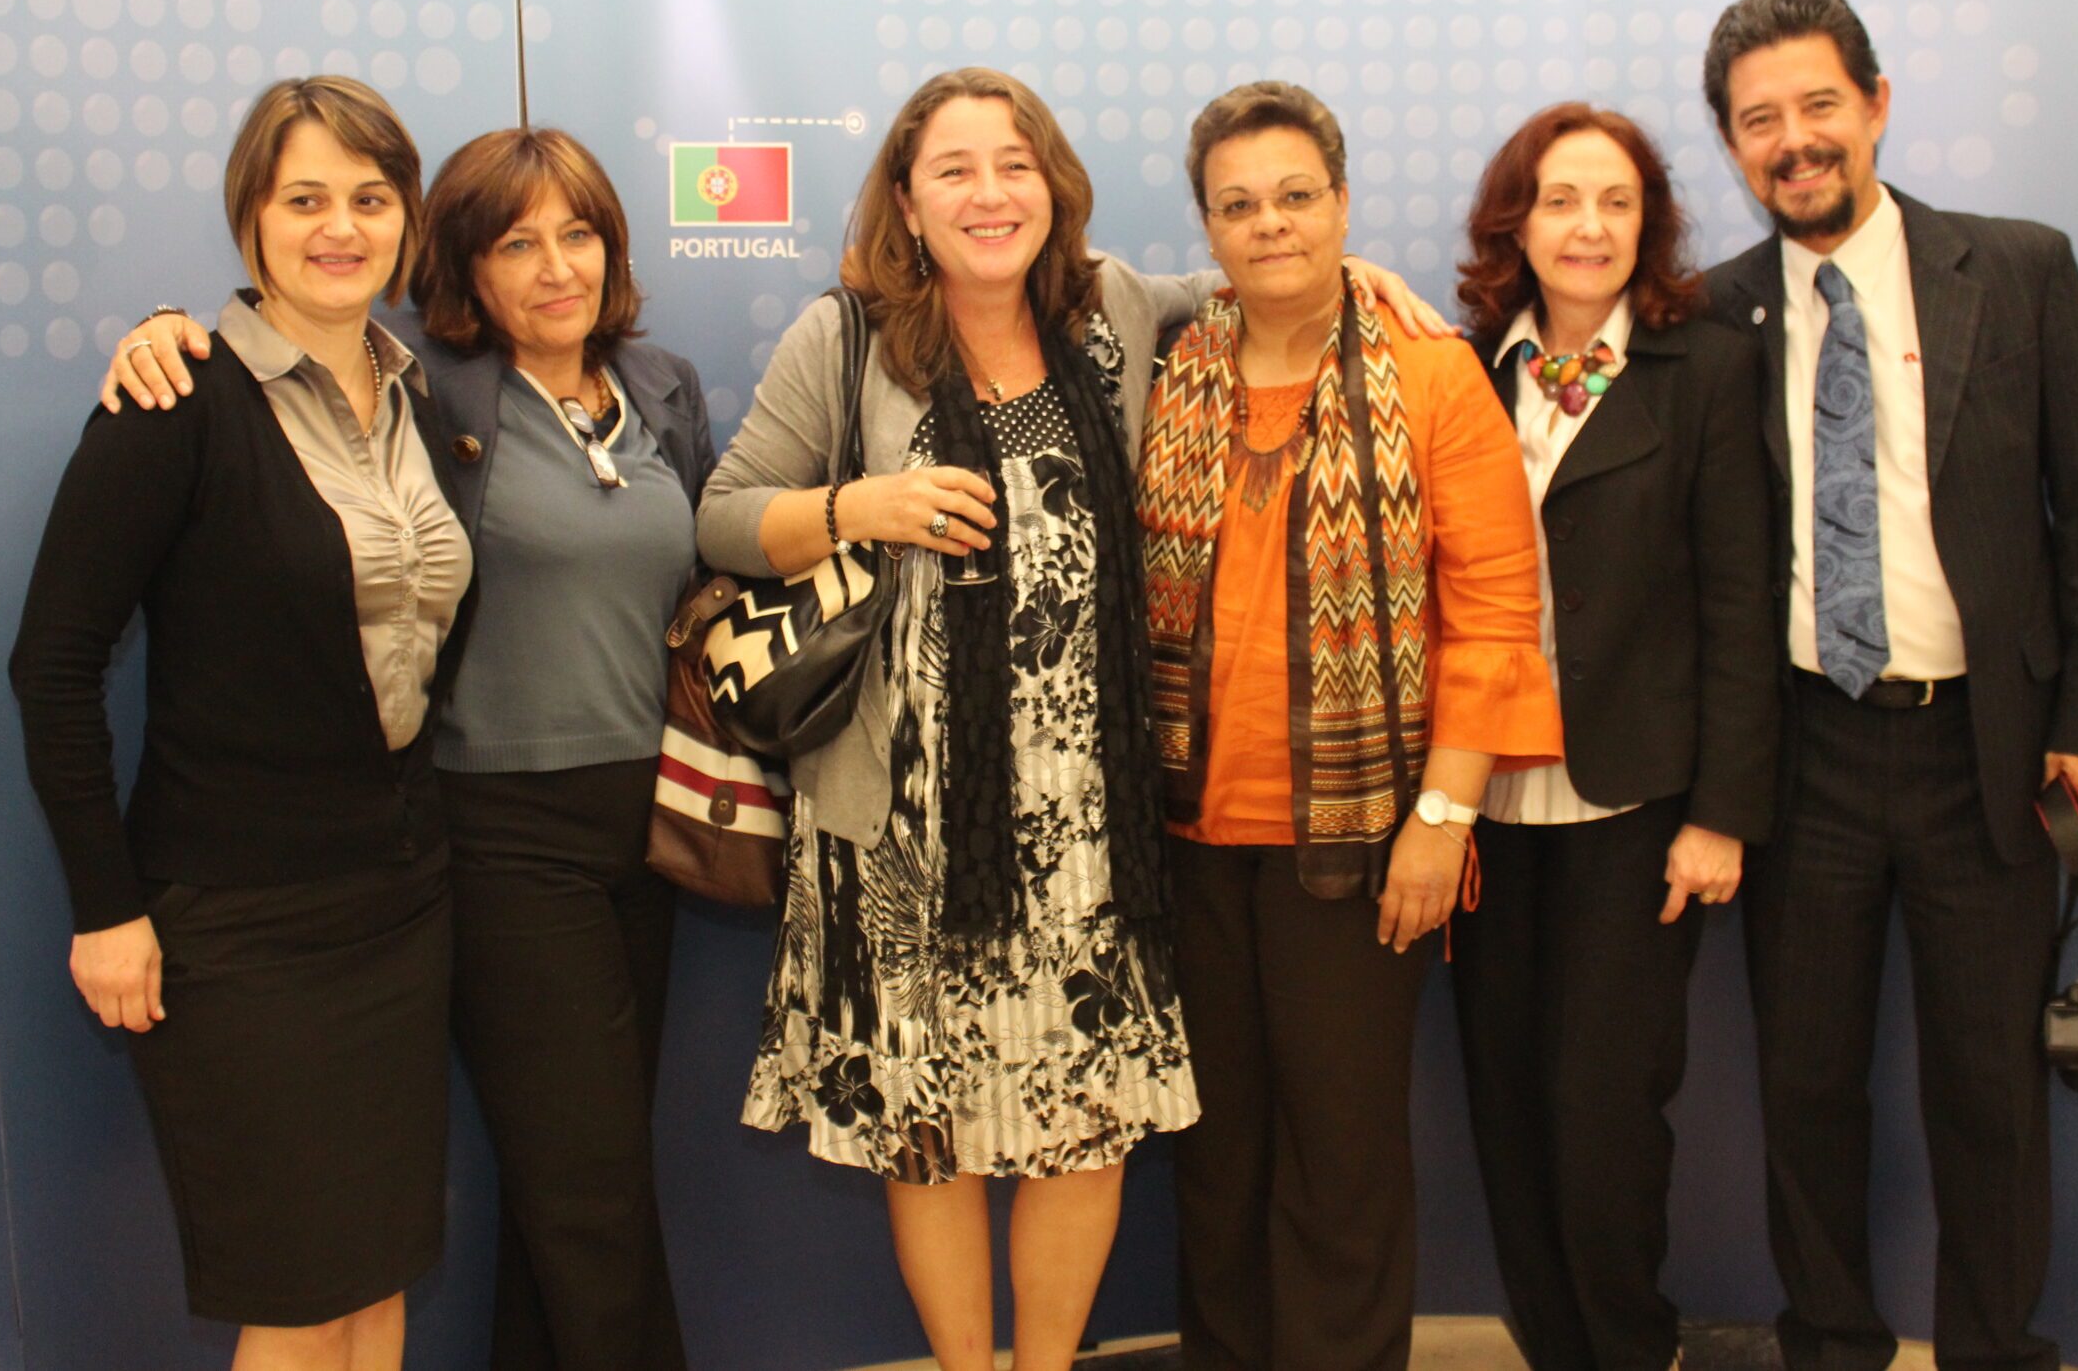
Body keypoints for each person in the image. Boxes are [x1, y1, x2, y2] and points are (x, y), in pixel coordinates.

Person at [696, 66, 1440, 1371]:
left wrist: (1355, 270)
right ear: (906, 202)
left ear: (1053, 186)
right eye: (954, 170)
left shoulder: (1113, 316)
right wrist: (855, 507)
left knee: (1084, 1124)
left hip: (1093, 827)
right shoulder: (847, 337)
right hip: (900, 831)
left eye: (1015, 164)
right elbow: (721, 515)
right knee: (924, 1134)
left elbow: (1255, 278)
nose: (989, 193)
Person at [102, 128, 711, 1371]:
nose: (556, 267)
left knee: (572, 1176)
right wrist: (165, 329)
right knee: (588, 1186)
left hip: (649, 824)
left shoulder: (660, 387)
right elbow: (285, 359)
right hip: (496, 828)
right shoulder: (427, 383)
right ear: (463, 267)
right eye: (516, 244)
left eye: (579, 234)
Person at [1700, 0, 2078, 1371]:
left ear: (1877, 104)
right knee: (1806, 1083)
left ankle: (1994, 1348)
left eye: (1818, 104)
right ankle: (1829, 1343)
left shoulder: (2015, 269)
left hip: (1988, 749)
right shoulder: (1713, 315)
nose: (1794, 140)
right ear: (1732, 145)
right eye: (1759, 120)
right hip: (1804, 752)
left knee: (1991, 1088)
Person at [12, 76, 472, 1371]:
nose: (341, 227)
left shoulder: (418, 399)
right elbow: (53, 666)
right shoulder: (178, 397)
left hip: (397, 902)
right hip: (236, 919)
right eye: (304, 199)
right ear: (251, 218)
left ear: (406, 217)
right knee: (300, 1288)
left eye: (370, 198)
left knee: (378, 1269)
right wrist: (105, 908)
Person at [1136, 81, 1565, 1371]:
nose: (1269, 224)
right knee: (1214, 1155)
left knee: (1341, 1160)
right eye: (1237, 205)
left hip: (1360, 840)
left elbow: (1495, 614)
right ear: (1208, 228)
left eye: (1295, 197)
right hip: (1184, 837)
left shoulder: (1431, 374)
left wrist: (1443, 816)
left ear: (1340, 204)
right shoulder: (1170, 365)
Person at [1448, 102, 1779, 1371]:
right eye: (1559, 200)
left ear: (1650, 226)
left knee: (1603, 1111)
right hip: (1481, 804)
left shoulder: (1708, 370)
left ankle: (1629, 1351)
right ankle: (1555, 1348)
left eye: (1615, 202)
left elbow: (1740, 604)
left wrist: (1721, 815)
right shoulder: (1464, 371)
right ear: (1514, 224)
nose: (1587, 227)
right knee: (1506, 1104)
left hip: (1634, 808)